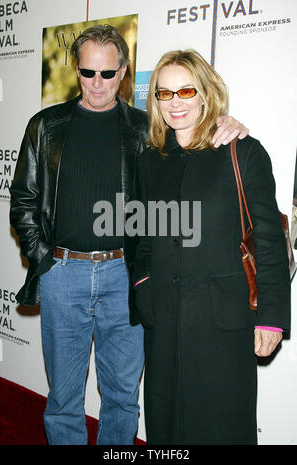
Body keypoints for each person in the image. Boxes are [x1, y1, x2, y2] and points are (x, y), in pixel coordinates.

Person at [9, 24, 249, 446]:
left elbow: (190, 154)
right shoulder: (45, 126)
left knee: (122, 397)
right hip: (62, 274)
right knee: (63, 398)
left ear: (123, 71)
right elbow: (23, 200)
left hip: (125, 277)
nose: (96, 83)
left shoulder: (145, 129)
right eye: (87, 73)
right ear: (76, 71)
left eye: (107, 73)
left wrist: (227, 125)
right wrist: (45, 259)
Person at [132, 49, 291, 445]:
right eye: (164, 94)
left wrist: (271, 318)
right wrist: (144, 292)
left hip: (223, 322)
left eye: (186, 90)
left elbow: (269, 241)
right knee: (165, 427)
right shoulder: (151, 160)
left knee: (221, 427)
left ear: (205, 93)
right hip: (164, 322)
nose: (175, 103)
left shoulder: (243, 152)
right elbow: (143, 241)